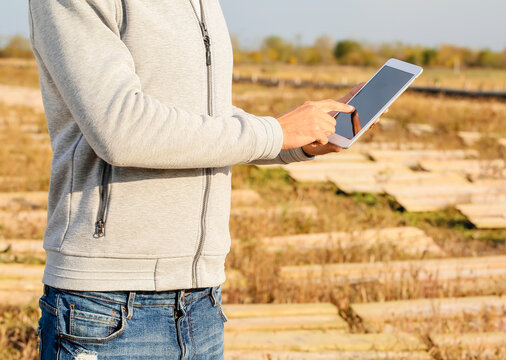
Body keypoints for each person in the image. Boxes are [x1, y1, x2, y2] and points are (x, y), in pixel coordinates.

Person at [28, 0, 368, 359]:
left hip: (201, 300)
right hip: (108, 304)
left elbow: (205, 118)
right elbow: (121, 128)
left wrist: (298, 140)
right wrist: (275, 132)